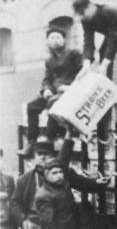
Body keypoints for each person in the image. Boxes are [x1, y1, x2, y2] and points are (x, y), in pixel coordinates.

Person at [20, 26, 83, 156]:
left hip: (71, 91)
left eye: (58, 37)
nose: (55, 41)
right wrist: (47, 89)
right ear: (48, 41)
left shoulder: (74, 54)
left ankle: (49, 139)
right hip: (54, 92)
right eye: (52, 38)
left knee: (53, 103)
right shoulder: (49, 60)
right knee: (32, 107)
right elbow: (47, 79)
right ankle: (31, 143)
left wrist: (70, 87)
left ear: (64, 40)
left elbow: (83, 73)